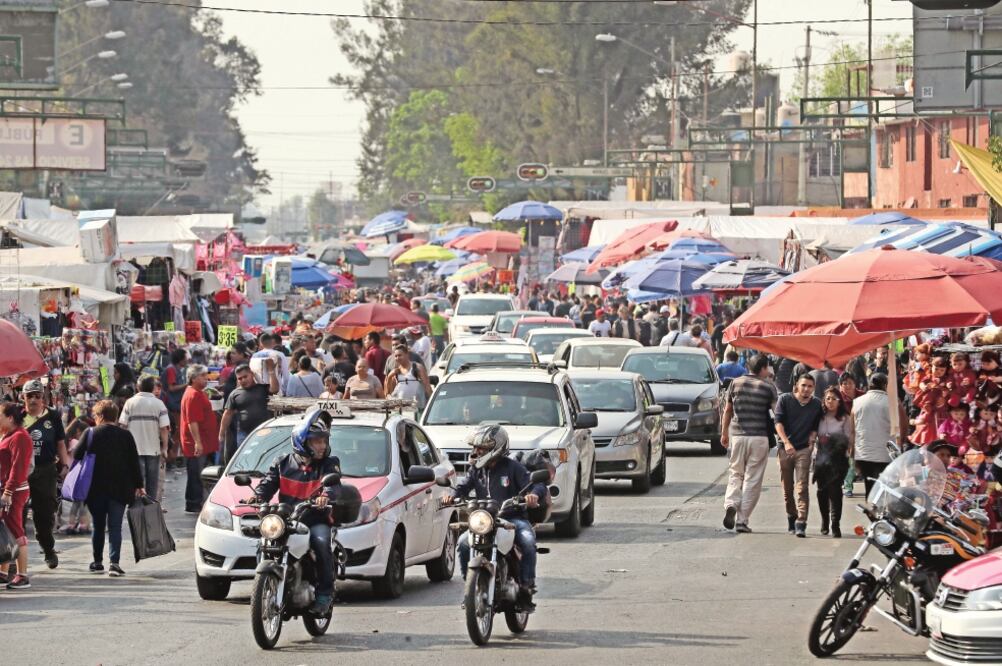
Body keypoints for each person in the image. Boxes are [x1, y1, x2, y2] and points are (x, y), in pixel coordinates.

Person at [254, 412, 342, 614]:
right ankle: (263, 586)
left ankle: (324, 595)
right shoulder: (282, 462)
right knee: (264, 543)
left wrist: (325, 497)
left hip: (316, 519)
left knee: (321, 543)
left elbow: (334, 484)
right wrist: (257, 497)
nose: (321, 445)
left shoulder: (329, 463)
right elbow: (267, 484)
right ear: (302, 442)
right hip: (287, 520)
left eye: (323, 440)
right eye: (316, 441)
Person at [448, 424, 546, 608]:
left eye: (481, 448)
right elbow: (462, 487)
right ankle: (471, 588)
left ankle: (526, 587)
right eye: (475, 447)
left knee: (527, 542)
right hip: (484, 519)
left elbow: (537, 485)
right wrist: (452, 497)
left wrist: (533, 495)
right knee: (463, 543)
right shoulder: (476, 470)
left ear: (496, 448)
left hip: (512, 518)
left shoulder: (513, 467)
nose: (476, 452)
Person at [79, 400, 144, 577]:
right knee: (115, 526)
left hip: (95, 489)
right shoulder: (126, 436)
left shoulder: (90, 433)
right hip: (121, 489)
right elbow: (134, 463)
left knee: (98, 526)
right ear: (115, 416)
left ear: (99, 416)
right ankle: (114, 563)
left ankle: (97, 562)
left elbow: (77, 454)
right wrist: (139, 485)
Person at [721, 355, 778, 534]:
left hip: (737, 436)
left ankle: (731, 503)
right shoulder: (768, 387)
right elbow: (777, 414)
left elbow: (728, 410)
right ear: (762, 368)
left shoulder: (735, 384)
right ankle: (742, 520)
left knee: (735, 473)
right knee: (752, 479)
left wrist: (724, 433)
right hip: (759, 438)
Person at [22, 378, 68, 570]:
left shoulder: (53, 417)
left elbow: (60, 443)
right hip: (21, 472)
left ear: (43, 397)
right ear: (22, 397)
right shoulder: (16, 416)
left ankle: (48, 549)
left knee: (45, 514)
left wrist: (65, 464)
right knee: (18, 514)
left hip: (46, 470)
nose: (33, 400)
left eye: (37, 396)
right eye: (29, 396)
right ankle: (15, 558)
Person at [775, 373, 823, 537]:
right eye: (804, 385)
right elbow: (778, 423)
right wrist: (786, 442)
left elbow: (816, 426)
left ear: (813, 389)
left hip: (803, 449)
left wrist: (812, 439)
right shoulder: (785, 400)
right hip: (785, 449)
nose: (806, 389)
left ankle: (801, 522)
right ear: (797, 385)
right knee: (788, 489)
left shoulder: (816, 404)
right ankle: (791, 516)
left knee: (802, 487)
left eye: (810, 387)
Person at [119, 376, 170, 503]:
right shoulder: (159, 404)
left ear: (138, 387)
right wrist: (165, 448)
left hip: (134, 451)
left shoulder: (130, 403)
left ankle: (137, 510)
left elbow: (123, 426)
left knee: (137, 483)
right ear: (152, 388)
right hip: (153, 450)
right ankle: (150, 510)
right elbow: (164, 429)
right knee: (152, 484)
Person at [0, 402, 35, 589]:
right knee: (5, 529)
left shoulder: (20, 437)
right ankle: (3, 572)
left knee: (14, 529)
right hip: (7, 489)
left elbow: (18, 468)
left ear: (10, 418)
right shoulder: (9, 435)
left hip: (14, 491)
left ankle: (22, 575)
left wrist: (8, 492)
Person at [814, 387, 853, 538]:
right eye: (828, 398)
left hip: (838, 459)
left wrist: (846, 451)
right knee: (821, 492)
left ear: (839, 401)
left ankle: (835, 524)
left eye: (834, 399)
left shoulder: (845, 418)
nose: (830, 401)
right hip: (821, 458)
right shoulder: (819, 416)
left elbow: (850, 438)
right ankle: (824, 521)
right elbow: (813, 434)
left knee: (835, 492)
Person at [219, 363, 278, 462]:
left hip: (265, 432)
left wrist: (271, 371)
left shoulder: (262, 388)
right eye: (240, 378)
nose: (243, 380)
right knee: (246, 460)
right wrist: (221, 433)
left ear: (252, 374)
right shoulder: (234, 394)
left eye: (245, 377)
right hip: (244, 434)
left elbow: (275, 389)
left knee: (265, 458)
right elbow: (227, 414)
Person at [179, 364, 219, 513]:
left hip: (204, 441)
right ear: (194, 378)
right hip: (197, 443)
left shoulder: (198, 392)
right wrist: (198, 442)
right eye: (203, 375)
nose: (206, 378)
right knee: (196, 475)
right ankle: (193, 503)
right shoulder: (193, 395)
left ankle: (197, 502)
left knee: (200, 474)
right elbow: (192, 421)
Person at [850, 372, 895, 496]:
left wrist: (852, 452)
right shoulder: (892, 402)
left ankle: (872, 512)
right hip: (886, 454)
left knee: (870, 489)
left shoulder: (857, 402)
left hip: (864, 454)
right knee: (885, 489)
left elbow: (852, 430)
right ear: (885, 385)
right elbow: (902, 427)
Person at [58, 418, 92, 534]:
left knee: (76, 502)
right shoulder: (75, 443)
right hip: (77, 475)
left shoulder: (67, 440)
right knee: (81, 501)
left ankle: (71, 524)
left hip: (68, 476)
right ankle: (83, 525)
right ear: (78, 431)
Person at [384, 344, 432, 410]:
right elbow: (388, 393)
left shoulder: (417, 367)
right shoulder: (396, 371)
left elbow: (427, 387)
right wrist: (389, 376)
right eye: (396, 356)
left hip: (418, 408)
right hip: (401, 409)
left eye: (400, 355)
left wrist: (432, 405)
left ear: (407, 354)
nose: (397, 358)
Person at [161, 348, 188, 462]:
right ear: (180, 359)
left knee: (177, 432)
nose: (187, 360)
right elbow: (171, 388)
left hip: (176, 404)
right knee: (175, 432)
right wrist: (187, 385)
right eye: (185, 358)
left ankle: (174, 457)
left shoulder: (177, 369)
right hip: (173, 405)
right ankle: (171, 458)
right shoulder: (171, 370)